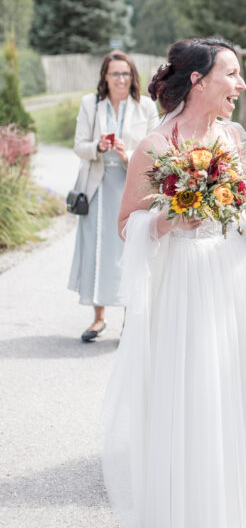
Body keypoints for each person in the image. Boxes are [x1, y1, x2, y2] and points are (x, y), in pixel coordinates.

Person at [103, 38, 246, 528]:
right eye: (231, 74)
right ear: (198, 80)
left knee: (233, 392)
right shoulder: (154, 146)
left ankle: (239, 525)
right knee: (189, 396)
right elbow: (125, 224)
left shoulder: (233, 137)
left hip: (228, 277)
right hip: (180, 283)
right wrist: (170, 217)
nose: (240, 85)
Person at [68, 51, 157, 342]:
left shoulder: (145, 106)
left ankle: (130, 321)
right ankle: (98, 318)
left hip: (131, 185)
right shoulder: (90, 104)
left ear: (132, 76)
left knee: (129, 250)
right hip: (98, 187)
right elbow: (79, 146)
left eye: (125, 73)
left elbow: (155, 151)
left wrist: (127, 154)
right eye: (115, 73)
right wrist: (98, 146)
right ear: (105, 77)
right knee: (98, 249)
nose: (121, 79)